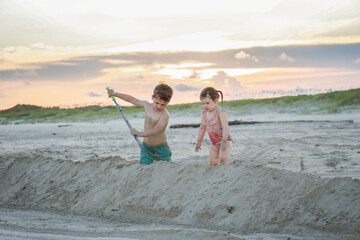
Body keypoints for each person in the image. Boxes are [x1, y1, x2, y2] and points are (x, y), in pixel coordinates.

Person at [107, 83, 173, 165]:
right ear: (152, 97)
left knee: (166, 169)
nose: (159, 107)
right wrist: (116, 94)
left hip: (161, 150)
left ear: (168, 102)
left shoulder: (165, 115)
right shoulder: (146, 105)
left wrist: (139, 134)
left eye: (163, 105)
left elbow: (156, 130)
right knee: (144, 166)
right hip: (146, 148)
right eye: (157, 103)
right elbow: (132, 99)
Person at [195, 87, 232, 166]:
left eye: (207, 103)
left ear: (216, 100)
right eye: (203, 103)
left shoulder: (221, 113)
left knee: (223, 159)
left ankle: (226, 173)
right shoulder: (204, 114)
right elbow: (202, 128)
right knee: (212, 162)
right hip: (214, 143)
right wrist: (199, 141)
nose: (205, 105)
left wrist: (224, 141)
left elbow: (225, 128)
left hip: (226, 141)